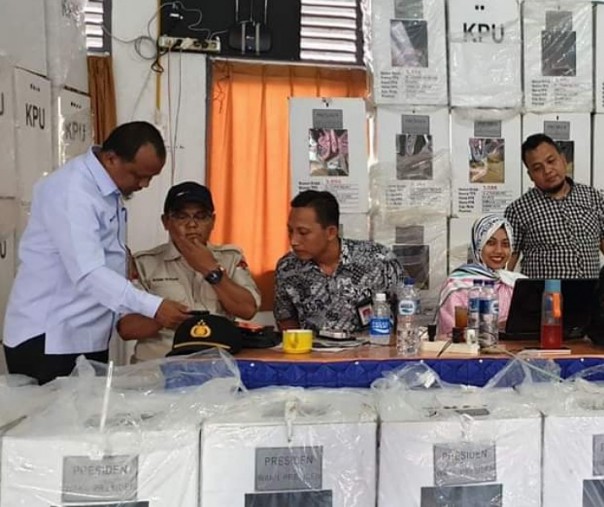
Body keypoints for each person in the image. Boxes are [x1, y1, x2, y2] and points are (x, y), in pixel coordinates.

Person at [3, 122, 190, 384]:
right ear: (111, 158)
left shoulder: (106, 189)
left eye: (152, 177)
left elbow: (108, 258)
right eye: (138, 175)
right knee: (54, 423)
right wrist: (154, 306)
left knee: (85, 421)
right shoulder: (72, 190)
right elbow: (88, 273)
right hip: (51, 338)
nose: (144, 184)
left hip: (85, 334)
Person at [117, 181, 261, 361]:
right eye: (181, 216)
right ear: (166, 222)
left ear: (213, 221)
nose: (192, 224)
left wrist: (211, 270)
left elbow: (248, 309)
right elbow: (126, 329)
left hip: (217, 367)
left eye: (201, 216)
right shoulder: (144, 264)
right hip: (158, 368)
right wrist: (160, 315)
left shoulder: (230, 258)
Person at [274, 190, 405, 333]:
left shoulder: (378, 259)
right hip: (314, 353)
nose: (294, 241)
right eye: (290, 231)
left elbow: (407, 308)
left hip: (372, 351)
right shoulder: (287, 268)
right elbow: (285, 319)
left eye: (303, 232)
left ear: (331, 232)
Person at [504, 133, 604, 278]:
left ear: (563, 160)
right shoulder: (518, 210)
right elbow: (507, 263)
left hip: (589, 296)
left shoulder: (592, 197)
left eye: (551, 161)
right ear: (530, 175)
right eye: (538, 168)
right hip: (542, 297)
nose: (547, 171)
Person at [438, 214, 525, 336]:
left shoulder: (515, 283)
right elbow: (453, 333)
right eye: (490, 243)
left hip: (513, 352)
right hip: (468, 352)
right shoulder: (458, 285)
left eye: (505, 244)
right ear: (478, 246)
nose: (499, 250)